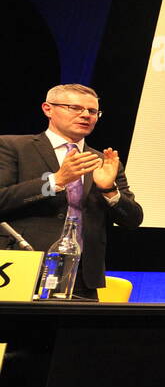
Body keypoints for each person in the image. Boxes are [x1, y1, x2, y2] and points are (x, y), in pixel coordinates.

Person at [0, 84, 144, 298]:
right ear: (48, 109)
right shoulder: (13, 146)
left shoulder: (103, 161)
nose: (86, 115)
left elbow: (133, 219)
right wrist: (55, 181)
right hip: (23, 266)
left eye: (93, 111)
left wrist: (109, 191)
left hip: (81, 277)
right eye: (75, 108)